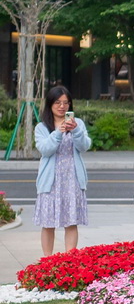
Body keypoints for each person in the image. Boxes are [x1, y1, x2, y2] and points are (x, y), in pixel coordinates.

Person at [34, 85, 91, 256]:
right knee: (48, 222)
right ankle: (47, 260)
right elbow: (45, 149)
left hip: (72, 178)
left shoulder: (77, 124)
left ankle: (69, 260)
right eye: (58, 102)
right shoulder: (42, 127)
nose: (62, 106)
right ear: (50, 104)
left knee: (71, 222)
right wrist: (58, 132)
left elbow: (85, 146)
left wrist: (76, 131)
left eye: (66, 103)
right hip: (50, 181)